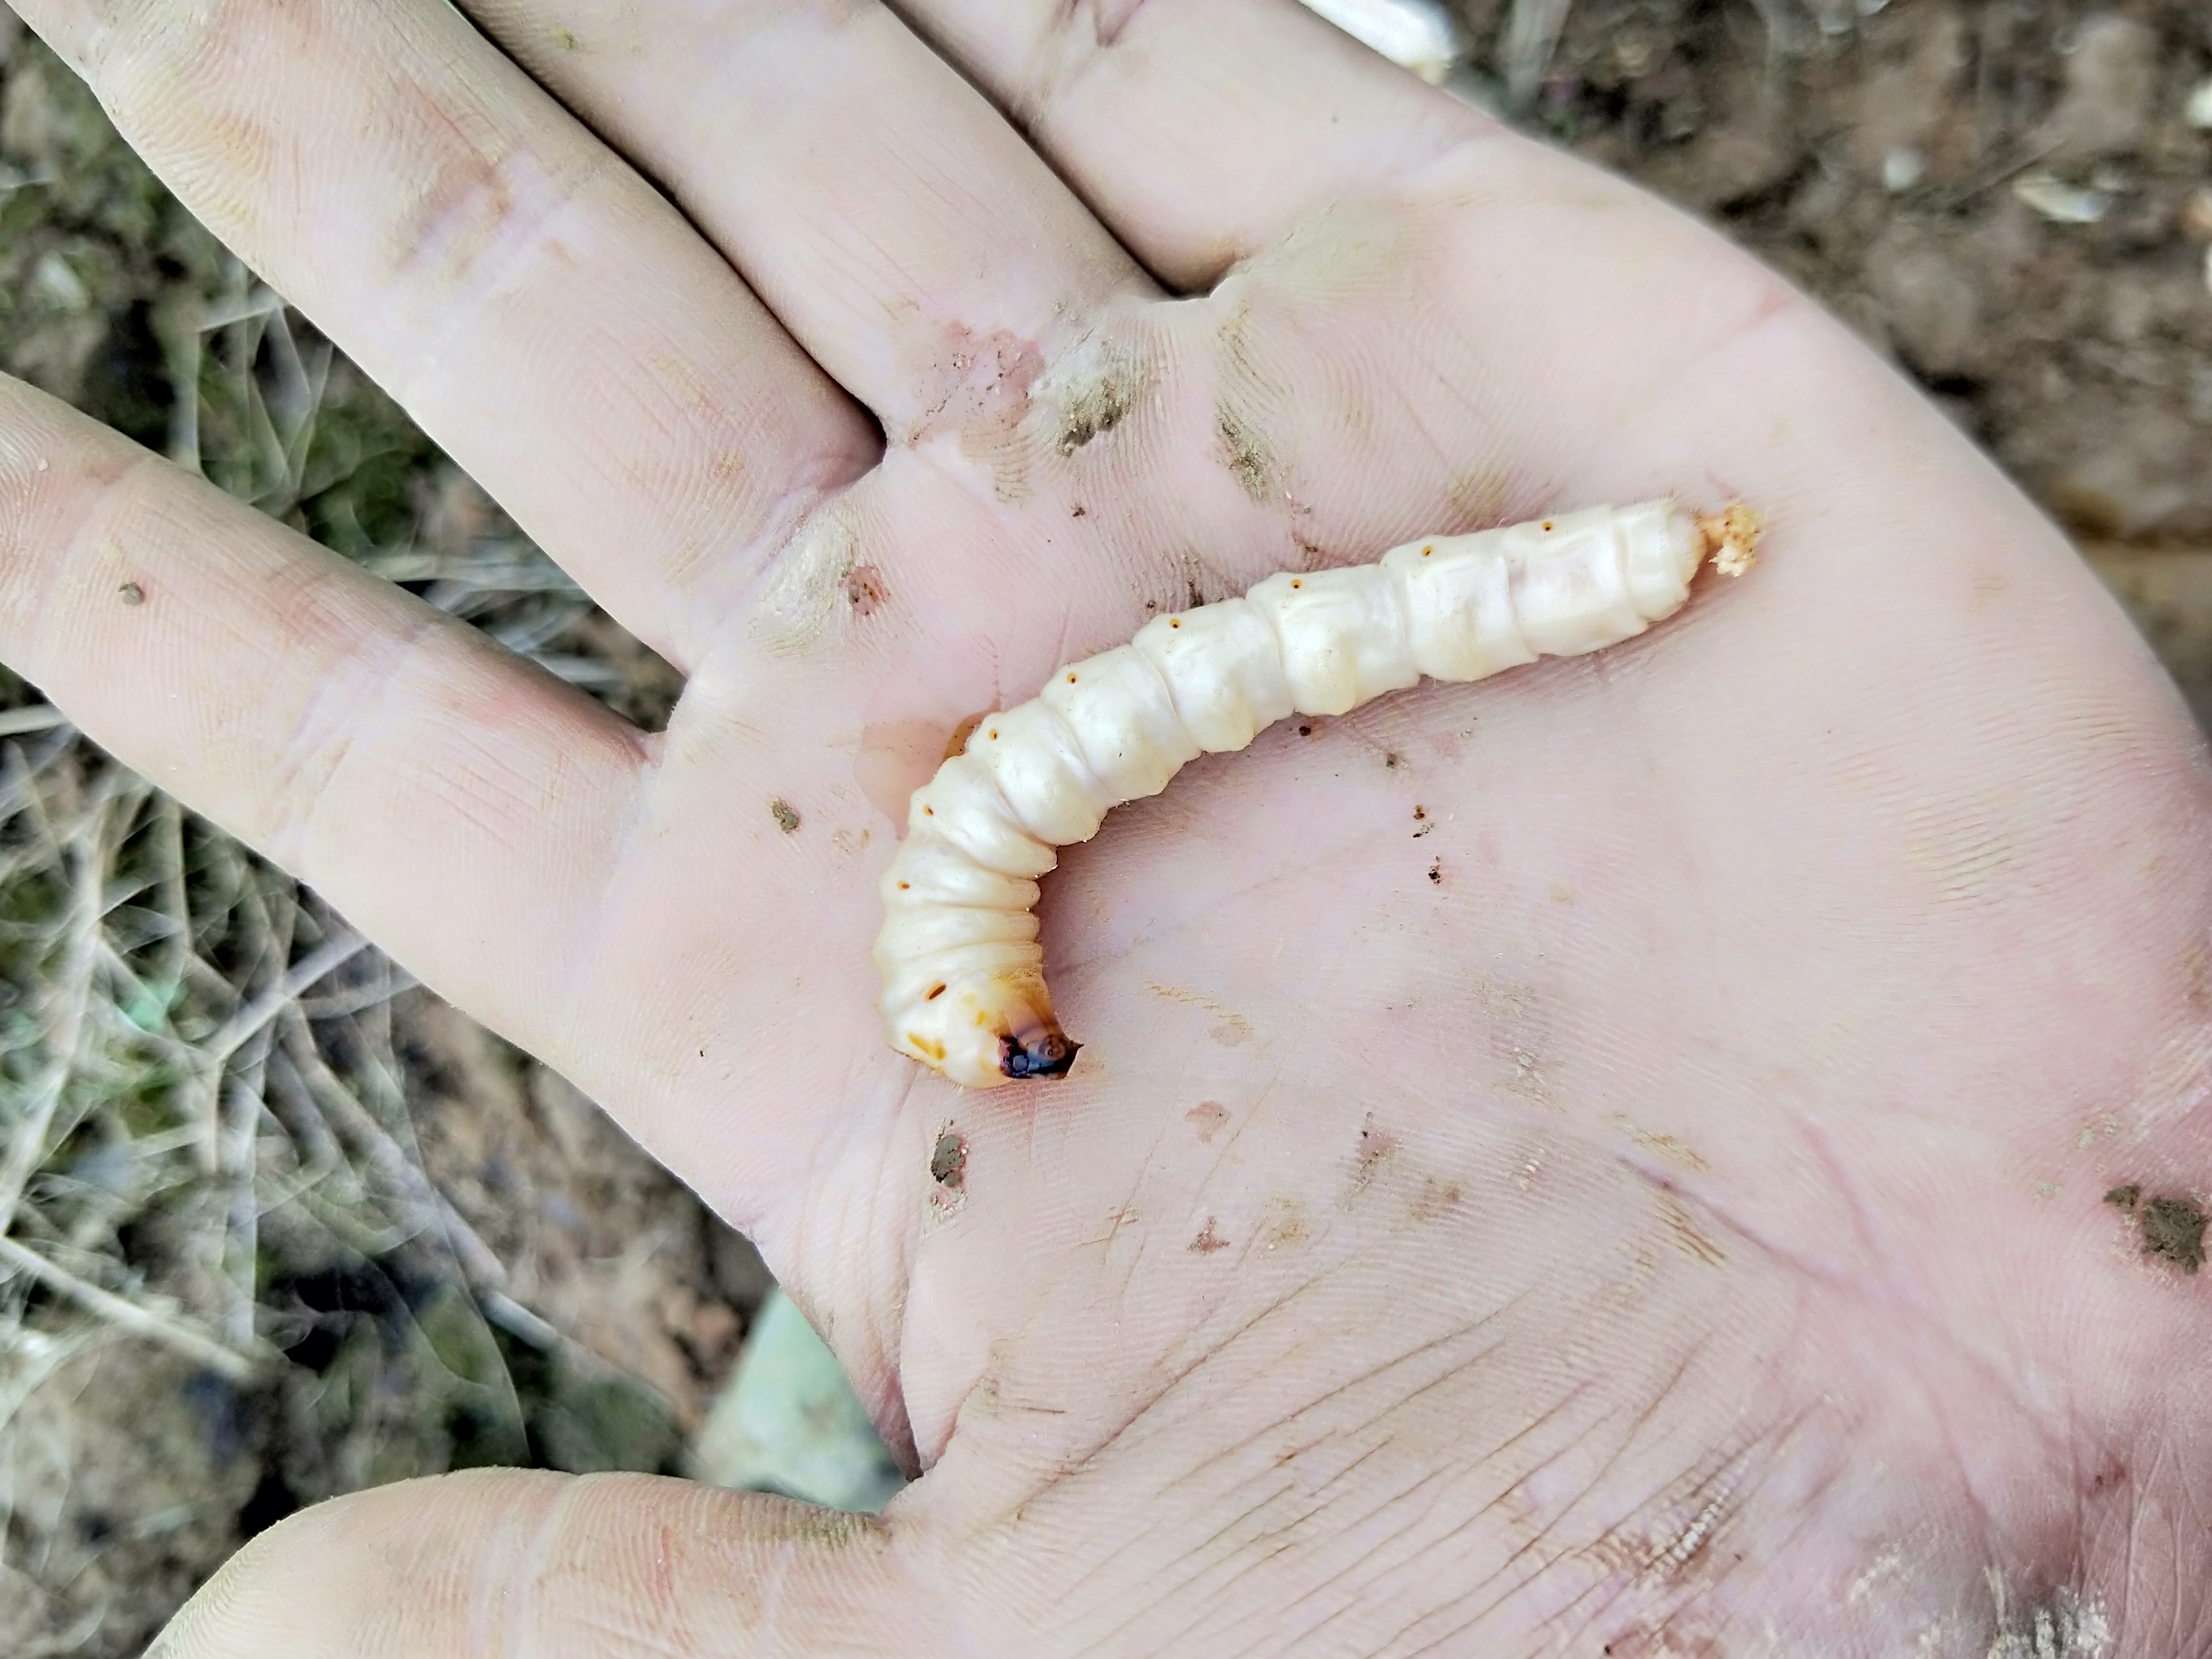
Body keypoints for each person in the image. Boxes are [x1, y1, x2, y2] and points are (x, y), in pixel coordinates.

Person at [5, 1, 2204, 1653]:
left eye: (992, 1019)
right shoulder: (983, 873)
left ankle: (1625, 556)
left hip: (1509, 597)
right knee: (1300, 662)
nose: (1022, 1029)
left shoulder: (989, 881)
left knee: (1327, 654)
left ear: (979, 975)